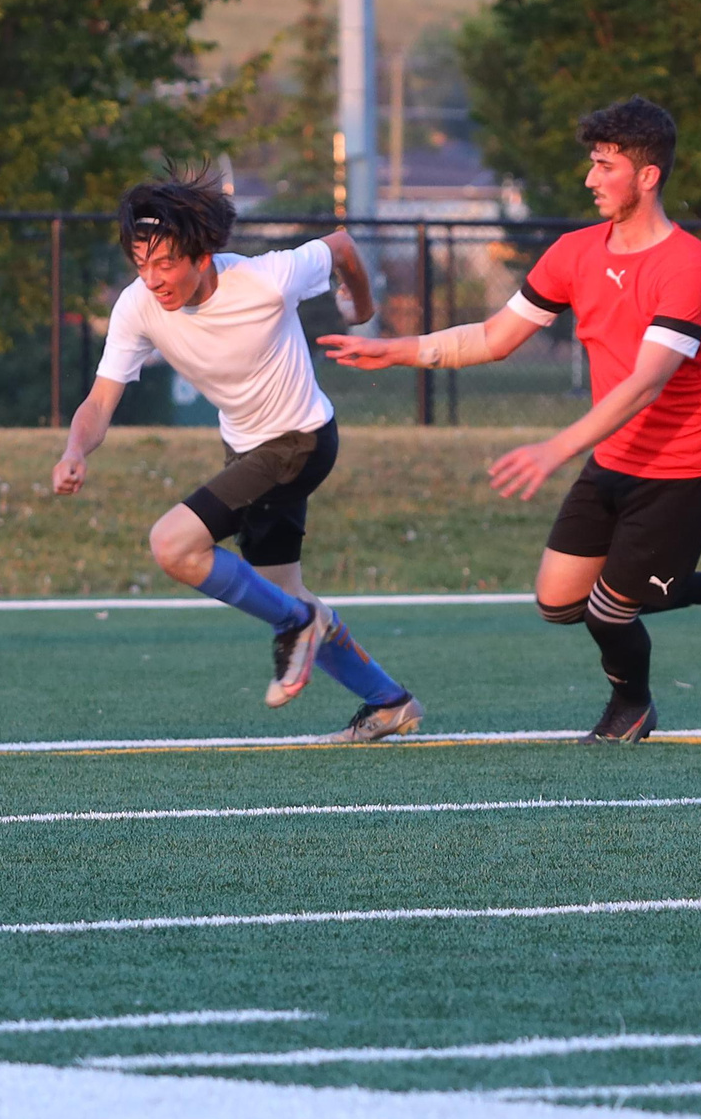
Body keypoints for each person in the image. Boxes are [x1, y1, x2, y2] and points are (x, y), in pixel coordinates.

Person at [322, 96, 701, 742]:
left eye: (605, 165)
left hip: (682, 470)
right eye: (591, 163)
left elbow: (645, 383)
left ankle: (631, 707)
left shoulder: (686, 262)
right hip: (614, 460)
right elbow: (495, 337)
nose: (590, 179)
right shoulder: (574, 252)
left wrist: (555, 448)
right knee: (561, 602)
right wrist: (397, 350)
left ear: (648, 176)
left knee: (612, 608)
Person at [52, 171, 423, 744]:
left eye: (166, 264)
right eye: (140, 263)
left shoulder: (266, 279)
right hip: (246, 451)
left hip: (301, 441)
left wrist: (361, 307)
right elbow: (100, 400)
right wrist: (76, 448)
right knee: (283, 591)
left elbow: (344, 245)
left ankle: (297, 626)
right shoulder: (138, 307)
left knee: (172, 544)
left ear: (202, 255)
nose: (152, 280)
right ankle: (387, 701)